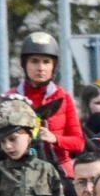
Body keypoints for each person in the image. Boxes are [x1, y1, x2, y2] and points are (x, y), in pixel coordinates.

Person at [7, 31, 86, 177]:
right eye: (35, 61)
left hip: (59, 169)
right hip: (19, 169)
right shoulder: (10, 98)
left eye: (46, 62)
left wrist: (55, 138)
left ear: (53, 66)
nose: (41, 68)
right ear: (25, 65)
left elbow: (79, 143)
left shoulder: (63, 98)